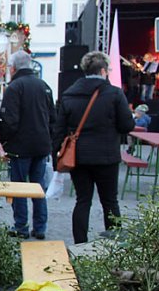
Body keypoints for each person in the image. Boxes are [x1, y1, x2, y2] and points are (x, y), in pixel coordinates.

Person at [53, 51, 134, 244]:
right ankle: (114, 243)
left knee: (82, 200)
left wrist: (55, 155)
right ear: (104, 70)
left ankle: (80, 243)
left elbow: (59, 129)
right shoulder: (114, 93)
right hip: (106, 156)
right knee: (110, 201)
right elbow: (126, 126)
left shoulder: (69, 93)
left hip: (78, 156)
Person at [0, 50, 55, 240]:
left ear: (13, 68)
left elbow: (9, 120)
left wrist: (4, 142)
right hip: (41, 145)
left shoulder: (15, 87)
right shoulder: (44, 86)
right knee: (39, 188)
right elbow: (52, 117)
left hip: (20, 146)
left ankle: (21, 226)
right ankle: (40, 227)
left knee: (19, 188)